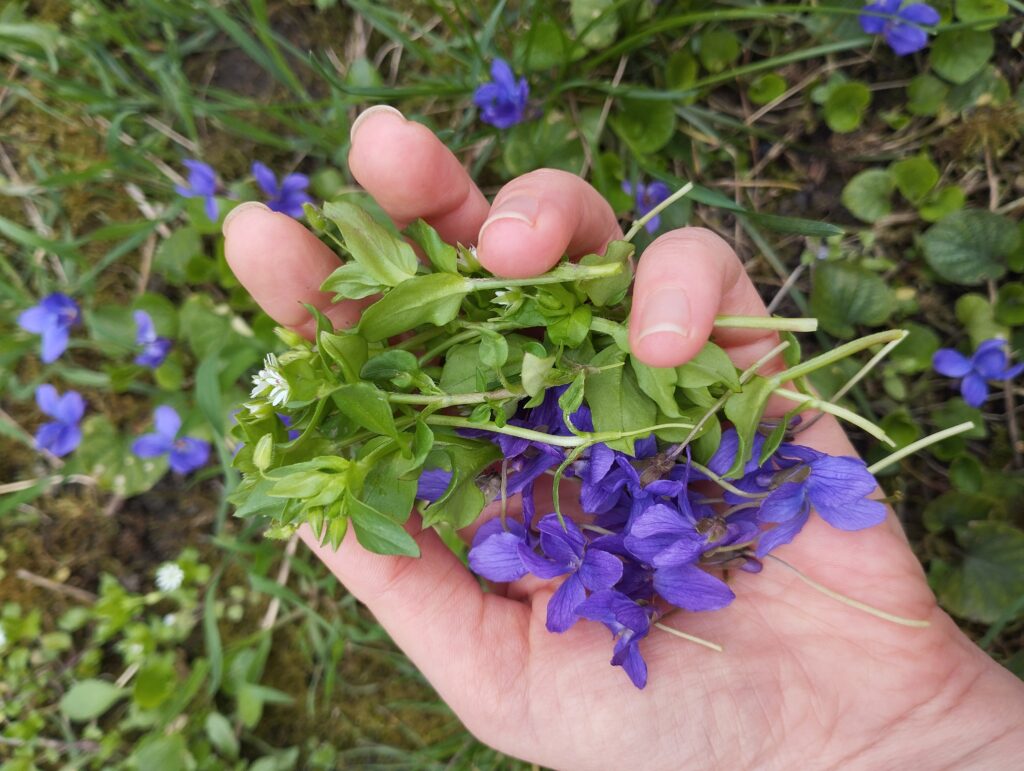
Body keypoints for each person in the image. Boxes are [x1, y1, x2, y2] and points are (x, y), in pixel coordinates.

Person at [223, 106, 1024, 770]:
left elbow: (626, 527)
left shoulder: (682, 511)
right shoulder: (604, 524)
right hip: (648, 488)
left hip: (673, 488)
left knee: (626, 361)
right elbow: (612, 535)